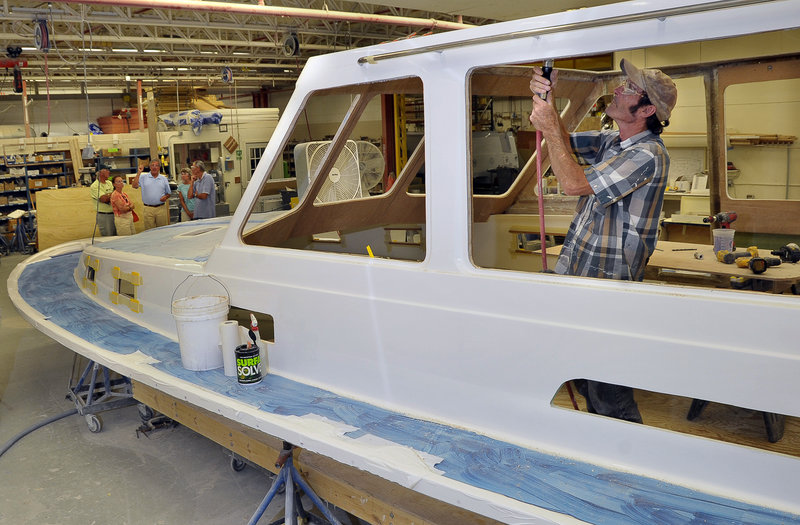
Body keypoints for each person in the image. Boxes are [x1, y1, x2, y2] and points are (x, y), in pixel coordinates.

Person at [528, 59, 678, 423]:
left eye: (629, 89)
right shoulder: (613, 142)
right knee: (584, 377)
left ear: (647, 110)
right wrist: (549, 97)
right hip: (581, 279)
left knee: (609, 391)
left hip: (608, 288)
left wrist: (548, 124)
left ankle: (627, 452)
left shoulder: (647, 154)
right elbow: (562, 141)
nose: (618, 90)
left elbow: (573, 184)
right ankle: (599, 441)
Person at [132, 159, 171, 230]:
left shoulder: (163, 178)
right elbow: (134, 186)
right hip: (148, 209)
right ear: (150, 167)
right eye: (152, 165)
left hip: (161, 209)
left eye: (156, 165)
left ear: (159, 167)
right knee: (149, 231)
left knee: (162, 231)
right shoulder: (143, 177)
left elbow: (169, 193)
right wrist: (139, 172)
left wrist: (165, 197)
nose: (154, 167)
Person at [89, 165, 116, 237]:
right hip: (104, 216)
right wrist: (113, 195)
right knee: (108, 236)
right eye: (107, 170)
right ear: (100, 172)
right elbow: (104, 199)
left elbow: (117, 195)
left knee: (116, 236)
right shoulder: (95, 186)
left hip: (114, 213)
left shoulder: (109, 183)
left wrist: (109, 195)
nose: (109, 172)